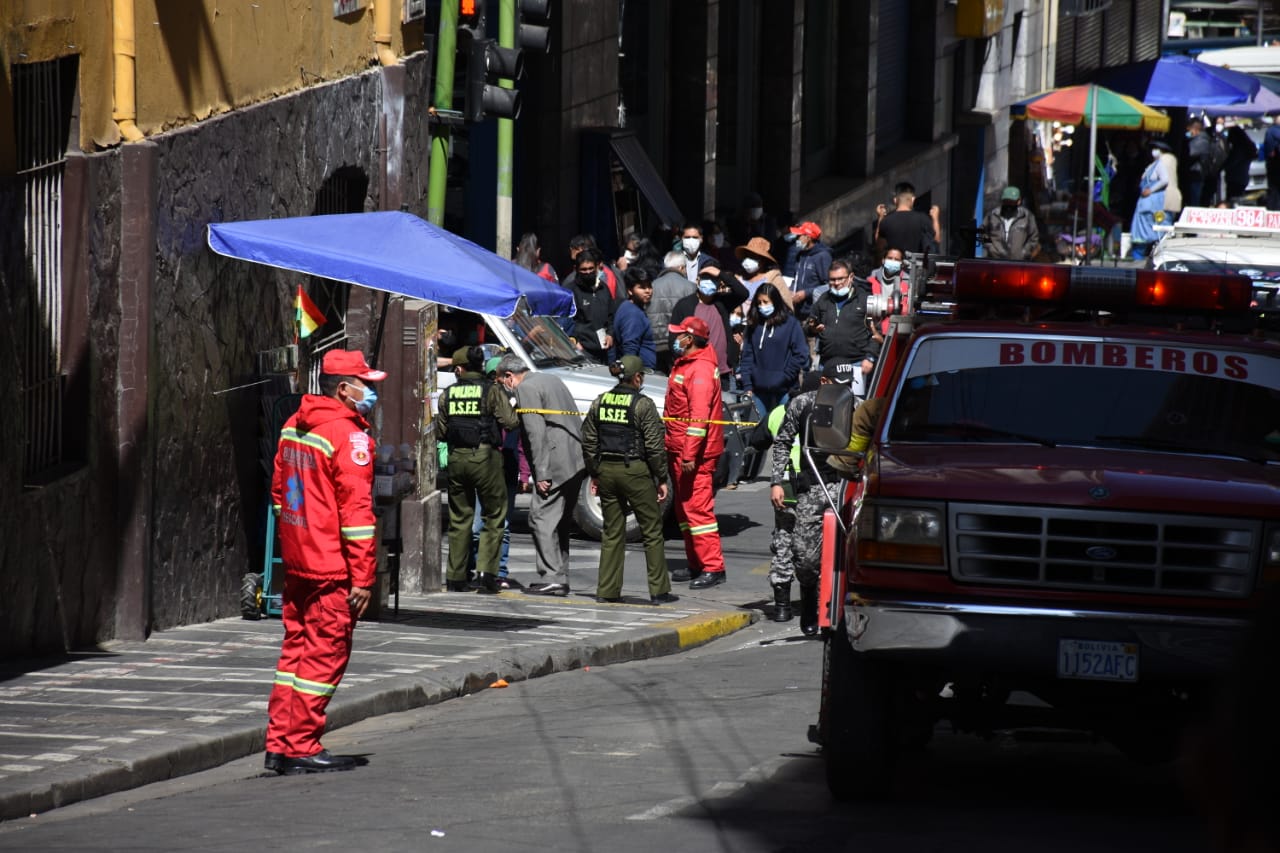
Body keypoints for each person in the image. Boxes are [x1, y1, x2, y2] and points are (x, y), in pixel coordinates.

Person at [265, 349, 386, 775]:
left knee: (294, 653)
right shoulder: (348, 436)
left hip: (298, 561)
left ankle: (279, 743)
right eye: (364, 385)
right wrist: (364, 577)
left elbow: (280, 493)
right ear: (343, 389)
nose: (369, 392)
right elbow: (356, 516)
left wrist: (299, 538)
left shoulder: (294, 423)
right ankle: (302, 745)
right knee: (324, 655)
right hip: (332, 566)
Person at [580, 355, 676, 605]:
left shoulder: (600, 402)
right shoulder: (643, 405)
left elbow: (589, 441)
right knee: (652, 530)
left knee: (612, 532)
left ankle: (607, 591)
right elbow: (655, 447)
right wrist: (661, 477)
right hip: (635, 471)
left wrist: (595, 473)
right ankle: (659, 591)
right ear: (637, 377)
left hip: (606, 472)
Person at [769, 358, 854, 635]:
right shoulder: (803, 404)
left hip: (846, 486)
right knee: (805, 557)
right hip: (813, 488)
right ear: (826, 383)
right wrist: (777, 481)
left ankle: (831, 610)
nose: (846, 390)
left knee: (847, 554)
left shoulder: (858, 406)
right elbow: (782, 441)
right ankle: (807, 600)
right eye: (839, 385)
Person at [497, 355, 587, 596]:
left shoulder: (526, 388)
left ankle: (552, 576)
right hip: (575, 459)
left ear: (509, 376)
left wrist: (542, 474)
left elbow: (536, 434)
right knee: (559, 522)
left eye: (502, 382)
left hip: (555, 462)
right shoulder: (551, 378)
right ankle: (560, 574)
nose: (505, 388)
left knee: (540, 518)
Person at [437, 346, 519, 595]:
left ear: (459, 369)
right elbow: (511, 422)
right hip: (485, 458)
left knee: (460, 518)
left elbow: (441, 432)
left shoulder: (447, 394)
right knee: (493, 516)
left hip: (456, 458)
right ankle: (486, 574)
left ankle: (456, 577)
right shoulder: (491, 390)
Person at [665, 317, 727, 588]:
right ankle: (696, 563)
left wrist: (689, 454)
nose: (675, 338)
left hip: (693, 455)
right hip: (680, 450)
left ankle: (713, 567)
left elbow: (699, 419)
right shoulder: (689, 364)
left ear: (689, 339)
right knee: (684, 510)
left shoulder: (699, 371)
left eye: (679, 334)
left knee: (697, 511)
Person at [469, 355, 524, 589]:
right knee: (477, 526)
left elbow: (521, 442)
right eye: (493, 379)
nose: (497, 385)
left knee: (503, 524)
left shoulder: (518, 405)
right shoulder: (481, 406)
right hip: (486, 468)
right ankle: (478, 570)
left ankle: (498, 571)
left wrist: (525, 472)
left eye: (499, 379)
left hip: (507, 468)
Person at [668, 264, 749, 387]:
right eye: (706, 278)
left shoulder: (723, 302)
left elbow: (743, 293)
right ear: (697, 280)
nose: (710, 282)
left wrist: (720, 273)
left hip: (721, 373)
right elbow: (674, 340)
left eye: (714, 280)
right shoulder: (684, 305)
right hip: (694, 372)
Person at [738, 283, 810, 422]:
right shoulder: (754, 324)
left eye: (766, 302)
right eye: (759, 302)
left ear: (775, 302)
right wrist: (747, 384)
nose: (762, 306)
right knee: (758, 432)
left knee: (783, 430)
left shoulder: (791, 324)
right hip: (757, 390)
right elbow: (747, 356)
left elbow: (801, 354)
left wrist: (785, 376)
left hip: (785, 389)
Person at [806, 258, 878, 381]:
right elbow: (809, 326)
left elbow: (876, 332)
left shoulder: (864, 299)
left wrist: (870, 357)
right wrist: (812, 329)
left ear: (851, 277)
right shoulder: (823, 300)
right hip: (828, 364)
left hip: (856, 365)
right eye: (832, 279)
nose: (836, 283)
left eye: (840, 279)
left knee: (854, 400)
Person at [564, 247, 618, 365]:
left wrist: (610, 334)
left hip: (604, 350)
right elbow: (566, 321)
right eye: (583, 269)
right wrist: (575, 342)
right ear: (576, 269)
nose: (588, 272)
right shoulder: (570, 291)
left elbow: (611, 316)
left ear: (597, 267)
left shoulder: (603, 288)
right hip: (583, 351)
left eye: (591, 268)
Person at [648, 251, 695, 373]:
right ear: (681, 267)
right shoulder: (690, 287)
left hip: (656, 343)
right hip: (681, 343)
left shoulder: (652, 286)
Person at [1131, 140, 1175, 260]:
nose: (1153, 151)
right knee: (1145, 234)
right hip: (1146, 203)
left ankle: (1141, 259)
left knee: (1151, 234)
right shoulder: (1153, 165)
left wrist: (1151, 190)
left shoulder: (1161, 164)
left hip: (1152, 204)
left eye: (1157, 149)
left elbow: (1165, 180)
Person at [875, 181, 942, 254]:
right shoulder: (922, 219)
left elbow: (879, 245)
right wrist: (935, 218)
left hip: (895, 262)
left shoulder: (886, 221)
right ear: (913, 199)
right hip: (916, 264)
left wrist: (881, 217)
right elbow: (936, 241)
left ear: (895, 200)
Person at [613, 266, 657, 369]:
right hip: (640, 373)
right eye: (642, 287)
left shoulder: (633, 308)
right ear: (630, 291)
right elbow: (630, 349)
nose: (648, 291)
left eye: (649, 286)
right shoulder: (632, 314)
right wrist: (633, 374)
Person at [981, 186, 1041, 260]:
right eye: (1006, 201)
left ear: (1018, 201)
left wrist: (1025, 251)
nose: (1008, 204)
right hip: (995, 261)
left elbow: (1034, 238)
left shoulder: (1027, 216)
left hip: (1018, 262)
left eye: (1011, 202)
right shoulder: (993, 215)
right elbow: (982, 232)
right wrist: (990, 247)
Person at [735, 235, 793, 309]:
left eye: (753, 257)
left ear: (763, 260)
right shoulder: (739, 277)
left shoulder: (774, 279)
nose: (748, 260)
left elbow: (786, 304)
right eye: (747, 256)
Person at [866, 248, 909, 342]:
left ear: (902, 263)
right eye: (890, 258)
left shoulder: (907, 285)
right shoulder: (871, 281)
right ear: (883, 260)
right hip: (873, 331)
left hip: (897, 335)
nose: (893, 262)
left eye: (897, 260)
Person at [788, 221, 830, 311]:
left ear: (808, 238)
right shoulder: (801, 255)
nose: (796, 239)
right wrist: (791, 290)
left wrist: (806, 293)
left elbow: (829, 285)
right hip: (797, 308)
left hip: (813, 309)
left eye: (798, 236)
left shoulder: (823, 256)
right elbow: (796, 278)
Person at [1224, 124, 1257, 201]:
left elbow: (1231, 163)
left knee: (1232, 199)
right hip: (1242, 178)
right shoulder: (1247, 147)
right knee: (1237, 198)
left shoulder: (1239, 150)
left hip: (1235, 178)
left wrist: (1223, 165)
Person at [1184, 118, 1213, 209]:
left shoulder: (1202, 140)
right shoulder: (1196, 139)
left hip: (1196, 175)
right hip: (1192, 175)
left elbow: (1190, 153)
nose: (1188, 133)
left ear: (1195, 129)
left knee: (1194, 202)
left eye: (1189, 130)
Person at [1264, 120, 1280, 211]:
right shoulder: (1273, 131)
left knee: (1274, 194)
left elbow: (1269, 152)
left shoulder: (1271, 131)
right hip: (1275, 167)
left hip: (1274, 168)